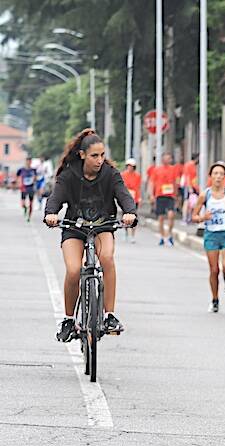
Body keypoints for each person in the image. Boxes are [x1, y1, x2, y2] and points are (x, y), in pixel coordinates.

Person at [43, 129, 137, 341]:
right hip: (74, 228)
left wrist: (130, 212)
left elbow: (124, 195)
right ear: (83, 154)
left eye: (102, 155)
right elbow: (55, 197)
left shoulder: (110, 174)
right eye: (95, 155)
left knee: (106, 259)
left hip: (103, 226)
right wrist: (51, 214)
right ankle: (68, 320)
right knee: (74, 270)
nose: (100, 160)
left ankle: (109, 315)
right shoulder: (69, 175)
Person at [193, 162, 225, 313]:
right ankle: (215, 299)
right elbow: (193, 216)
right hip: (212, 235)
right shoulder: (205, 195)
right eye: (215, 173)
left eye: (221, 174)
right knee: (214, 270)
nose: (218, 176)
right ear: (210, 176)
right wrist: (203, 217)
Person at [149, 152, 180, 246]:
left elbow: (176, 182)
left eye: (169, 158)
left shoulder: (174, 169)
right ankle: (162, 236)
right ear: (162, 159)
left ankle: (169, 234)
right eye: (166, 158)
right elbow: (152, 183)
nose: (167, 160)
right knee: (161, 217)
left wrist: (176, 194)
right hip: (160, 195)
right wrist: (151, 195)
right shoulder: (156, 170)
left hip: (170, 196)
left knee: (171, 215)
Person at [121, 158, 142, 243]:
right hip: (125, 199)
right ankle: (126, 233)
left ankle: (133, 235)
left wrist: (139, 198)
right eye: (128, 166)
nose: (130, 168)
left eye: (132, 166)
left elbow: (138, 188)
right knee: (125, 216)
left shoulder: (137, 176)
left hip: (134, 198)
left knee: (134, 217)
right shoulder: (123, 175)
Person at [16, 157, 36, 222]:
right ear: (26, 162)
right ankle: (25, 208)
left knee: (31, 204)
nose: (28, 163)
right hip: (23, 187)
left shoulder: (33, 170)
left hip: (30, 188)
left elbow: (36, 177)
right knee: (22, 204)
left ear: (31, 162)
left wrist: (34, 180)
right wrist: (19, 183)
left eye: (29, 161)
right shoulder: (21, 169)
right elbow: (17, 176)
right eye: (27, 161)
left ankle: (29, 217)